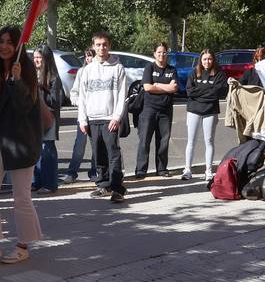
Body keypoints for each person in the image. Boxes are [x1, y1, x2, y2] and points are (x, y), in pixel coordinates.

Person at [0, 26, 44, 266]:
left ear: (17, 46)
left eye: (9, 42)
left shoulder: (25, 71)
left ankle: (23, 245)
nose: (3, 46)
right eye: (0, 41)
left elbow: (26, 106)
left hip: (21, 142)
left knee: (21, 195)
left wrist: (15, 80)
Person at [73, 31, 128, 203]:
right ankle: (103, 185)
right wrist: (82, 119)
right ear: (93, 46)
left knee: (113, 153)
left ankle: (117, 189)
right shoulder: (87, 71)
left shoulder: (118, 68)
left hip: (110, 118)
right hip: (92, 118)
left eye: (104, 44)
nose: (101, 47)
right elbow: (82, 97)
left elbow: (121, 95)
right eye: (98, 44)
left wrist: (116, 117)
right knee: (98, 154)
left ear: (109, 45)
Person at [181, 47, 226, 181]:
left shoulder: (219, 74)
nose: (207, 61)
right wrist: (207, 91)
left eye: (210, 59)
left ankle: (208, 171)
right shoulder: (194, 72)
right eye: (205, 59)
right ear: (201, 60)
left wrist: (200, 92)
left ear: (213, 60)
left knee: (209, 141)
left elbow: (218, 93)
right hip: (194, 110)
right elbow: (189, 91)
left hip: (210, 111)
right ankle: (187, 169)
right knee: (191, 141)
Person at [135, 42, 178, 177]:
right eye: (159, 52)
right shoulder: (149, 67)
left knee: (163, 141)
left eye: (164, 52)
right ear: (154, 54)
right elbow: (147, 87)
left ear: (167, 54)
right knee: (144, 141)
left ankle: (161, 169)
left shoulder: (172, 70)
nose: (162, 55)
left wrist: (157, 84)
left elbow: (175, 88)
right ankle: (141, 170)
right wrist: (167, 87)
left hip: (166, 110)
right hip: (149, 109)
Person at [61, 48, 98, 184]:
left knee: (96, 145)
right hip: (83, 114)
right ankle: (72, 172)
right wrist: (78, 102)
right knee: (79, 145)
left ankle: (94, 172)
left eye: (91, 56)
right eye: (87, 56)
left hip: (96, 115)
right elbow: (74, 92)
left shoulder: (100, 71)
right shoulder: (82, 72)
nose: (89, 59)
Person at [33, 46, 63, 193]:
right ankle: (37, 181)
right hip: (34, 119)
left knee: (47, 150)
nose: (36, 60)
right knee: (37, 150)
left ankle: (50, 183)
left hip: (49, 118)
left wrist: (41, 89)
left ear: (46, 58)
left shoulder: (53, 78)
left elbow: (55, 101)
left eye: (39, 57)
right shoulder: (33, 75)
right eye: (35, 58)